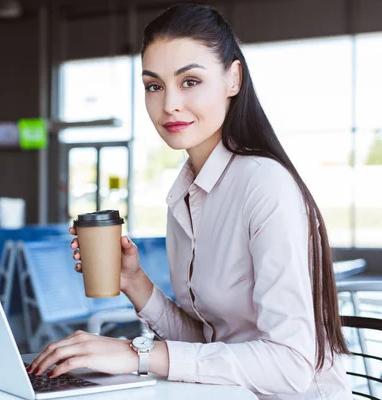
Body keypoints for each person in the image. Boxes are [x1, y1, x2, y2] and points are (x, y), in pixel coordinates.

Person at [27, 3, 352, 398]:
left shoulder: (265, 186)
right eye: (154, 86)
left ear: (233, 78)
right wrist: (135, 282)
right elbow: (209, 342)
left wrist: (135, 353)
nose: (169, 105)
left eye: (190, 81)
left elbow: (291, 365)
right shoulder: (184, 193)